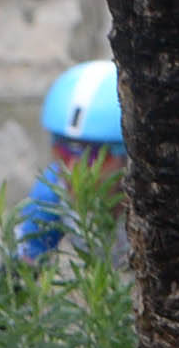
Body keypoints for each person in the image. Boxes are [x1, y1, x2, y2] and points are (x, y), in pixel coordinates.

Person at [15, 61, 124, 264]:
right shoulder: (52, 190)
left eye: (93, 156)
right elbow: (16, 276)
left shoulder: (158, 208)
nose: (72, 169)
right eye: (63, 151)